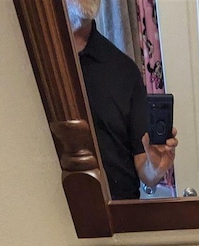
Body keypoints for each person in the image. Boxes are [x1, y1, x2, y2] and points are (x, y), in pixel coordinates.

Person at [65, 0, 178, 199]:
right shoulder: (27, 59)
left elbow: (145, 170)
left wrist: (155, 169)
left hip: (120, 219)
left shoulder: (124, 70)